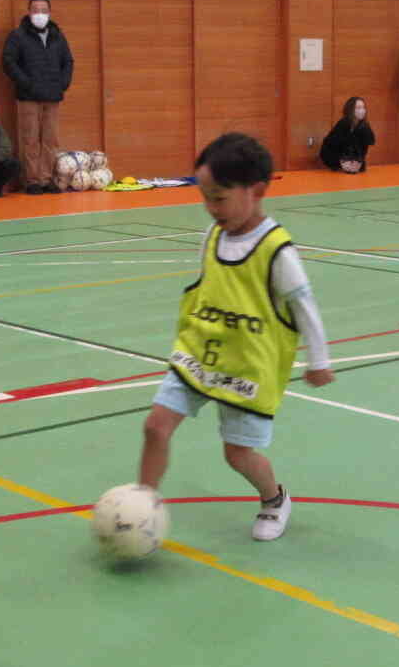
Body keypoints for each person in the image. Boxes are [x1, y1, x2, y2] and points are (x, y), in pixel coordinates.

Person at [137, 132, 334, 542]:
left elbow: (304, 305)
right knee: (156, 426)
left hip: (246, 367)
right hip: (198, 355)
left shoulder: (276, 250)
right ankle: (141, 508)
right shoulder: (212, 237)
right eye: (205, 197)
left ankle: (274, 498)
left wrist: (319, 359)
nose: (211, 208)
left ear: (257, 190)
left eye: (220, 197)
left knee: (237, 454)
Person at [2, 0, 73, 194]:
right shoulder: (18, 35)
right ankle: (32, 181)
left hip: (52, 96)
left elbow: (68, 61)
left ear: (49, 13)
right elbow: (8, 61)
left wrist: (63, 83)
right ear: (29, 12)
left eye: (43, 10)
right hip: (28, 97)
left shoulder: (58, 36)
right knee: (30, 140)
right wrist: (25, 83)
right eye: (35, 10)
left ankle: (46, 179)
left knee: (51, 140)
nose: (39, 14)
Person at [318, 96, 375, 173]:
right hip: (336, 157)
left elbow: (370, 142)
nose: (362, 110)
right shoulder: (342, 124)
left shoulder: (364, 126)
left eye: (363, 107)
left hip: (354, 160)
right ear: (350, 110)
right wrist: (342, 162)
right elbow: (331, 146)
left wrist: (358, 161)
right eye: (358, 108)